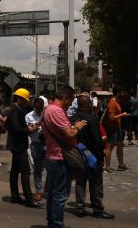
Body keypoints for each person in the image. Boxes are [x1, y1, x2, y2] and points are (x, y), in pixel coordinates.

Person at [42, 85, 87, 228]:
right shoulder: (56, 111)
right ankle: (56, 224)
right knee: (60, 196)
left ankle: (52, 222)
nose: (70, 104)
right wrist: (78, 127)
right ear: (66, 98)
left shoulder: (49, 109)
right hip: (59, 158)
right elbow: (69, 133)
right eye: (71, 100)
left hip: (53, 155)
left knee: (54, 194)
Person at [71, 96, 115, 219]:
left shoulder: (72, 118)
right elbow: (97, 141)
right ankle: (97, 209)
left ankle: (80, 208)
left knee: (80, 182)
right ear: (88, 105)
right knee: (95, 183)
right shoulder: (92, 119)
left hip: (77, 156)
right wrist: (101, 156)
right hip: (92, 157)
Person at [6, 88, 43, 208]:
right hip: (18, 146)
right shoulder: (15, 111)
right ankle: (28, 199)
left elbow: (8, 125)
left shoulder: (16, 109)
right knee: (25, 171)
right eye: (26, 99)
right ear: (21, 99)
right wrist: (29, 129)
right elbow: (16, 128)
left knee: (15, 171)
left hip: (16, 145)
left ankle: (15, 195)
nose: (28, 102)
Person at [104, 86, 130, 172]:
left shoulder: (117, 102)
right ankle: (107, 166)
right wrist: (122, 115)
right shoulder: (112, 103)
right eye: (122, 92)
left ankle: (121, 164)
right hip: (112, 128)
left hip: (117, 128)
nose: (124, 94)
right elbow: (111, 118)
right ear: (118, 93)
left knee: (120, 146)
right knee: (109, 147)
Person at [25, 98, 45, 202]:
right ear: (34, 106)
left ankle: (47, 190)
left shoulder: (46, 114)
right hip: (36, 144)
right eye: (37, 108)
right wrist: (36, 126)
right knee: (37, 169)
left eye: (41, 108)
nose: (39, 110)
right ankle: (38, 191)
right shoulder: (29, 116)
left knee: (51, 168)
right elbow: (28, 131)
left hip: (47, 144)